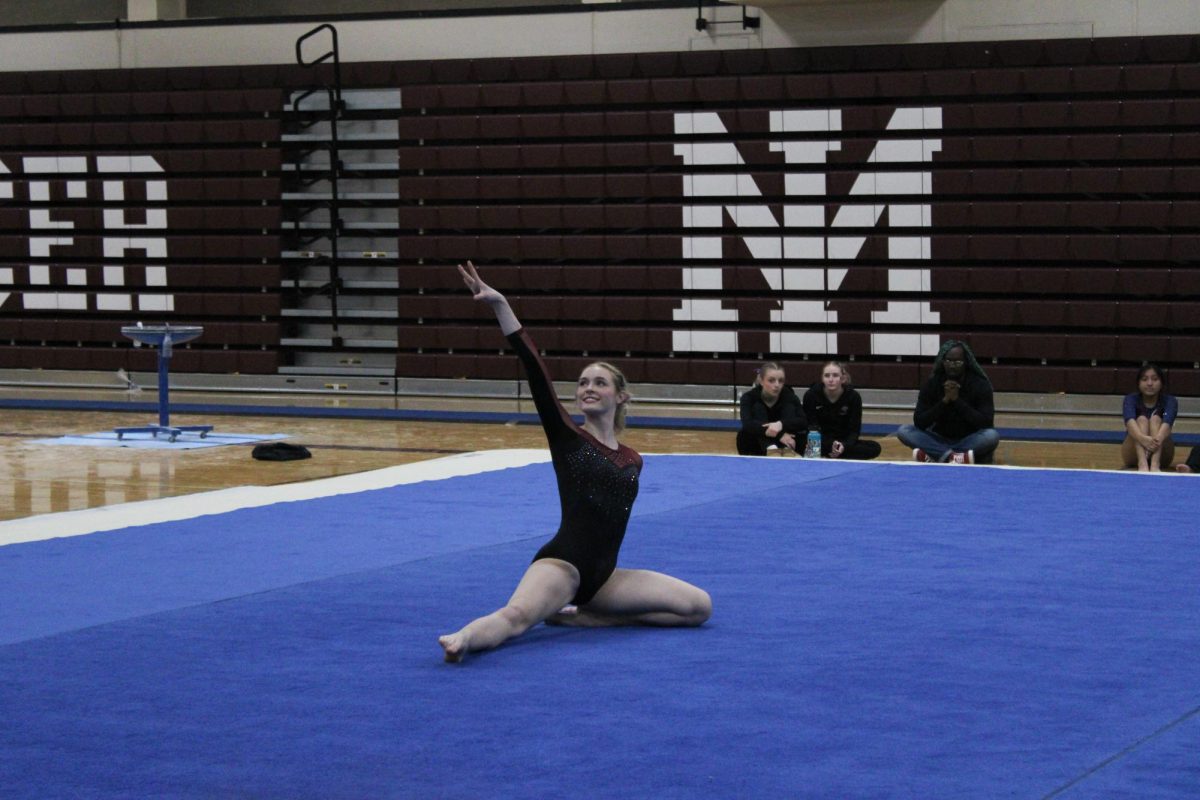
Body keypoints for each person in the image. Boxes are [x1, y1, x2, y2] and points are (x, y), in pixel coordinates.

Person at [438, 262, 712, 663]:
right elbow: (535, 369)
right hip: (563, 565)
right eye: (583, 382)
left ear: (621, 397)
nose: (588, 388)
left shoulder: (633, 459)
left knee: (698, 607)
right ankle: (464, 637)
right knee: (516, 618)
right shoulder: (569, 439)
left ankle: (591, 620)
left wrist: (600, 606)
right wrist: (501, 306)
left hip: (605, 579)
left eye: (599, 382)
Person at [896, 340, 1000, 464]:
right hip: (938, 438)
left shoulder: (980, 384)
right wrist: (944, 401)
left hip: (969, 438)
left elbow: (986, 423)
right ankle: (955, 457)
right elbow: (919, 422)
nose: (952, 365)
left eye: (957, 361)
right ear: (942, 361)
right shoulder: (932, 383)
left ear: (966, 362)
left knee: (991, 436)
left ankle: (936, 455)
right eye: (948, 361)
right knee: (904, 431)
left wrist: (957, 400)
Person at [801, 361, 882, 460]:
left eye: (835, 375)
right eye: (827, 376)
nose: (831, 379)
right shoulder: (811, 395)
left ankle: (834, 455)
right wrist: (830, 444)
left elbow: (854, 431)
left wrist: (843, 446)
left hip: (843, 442)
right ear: (822, 378)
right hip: (820, 442)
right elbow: (810, 426)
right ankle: (835, 454)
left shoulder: (853, 397)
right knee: (799, 442)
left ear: (842, 378)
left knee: (875, 447)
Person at [736, 362, 807, 455]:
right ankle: (771, 449)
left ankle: (786, 450)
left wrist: (780, 424)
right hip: (758, 445)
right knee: (757, 409)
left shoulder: (790, 396)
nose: (777, 385)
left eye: (780, 380)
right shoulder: (749, 397)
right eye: (771, 380)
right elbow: (747, 423)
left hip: (788, 442)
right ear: (761, 381)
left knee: (789, 407)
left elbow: (803, 421)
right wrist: (779, 434)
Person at [1121, 362, 1177, 471]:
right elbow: (1129, 422)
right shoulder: (1130, 399)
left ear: (1161, 383)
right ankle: (1143, 464)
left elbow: (1167, 423)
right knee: (1142, 420)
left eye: (1155, 379)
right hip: (1133, 453)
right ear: (1138, 383)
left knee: (1155, 419)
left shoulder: (1170, 401)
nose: (1150, 383)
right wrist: (1143, 439)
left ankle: (1155, 464)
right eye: (1145, 379)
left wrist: (1154, 442)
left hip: (1162, 452)